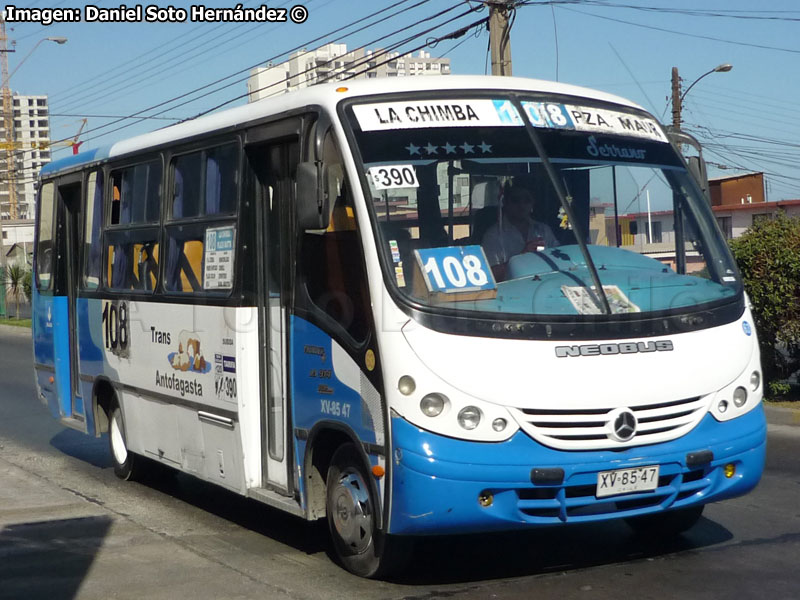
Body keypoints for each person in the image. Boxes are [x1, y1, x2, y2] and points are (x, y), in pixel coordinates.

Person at [481, 185, 559, 280]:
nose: (521, 205)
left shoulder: (543, 230)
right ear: (505, 203)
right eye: (515, 200)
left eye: (527, 200)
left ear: (532, 204)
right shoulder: (494, 235)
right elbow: (489, 275)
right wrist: (522, 257)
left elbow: (559, 261)